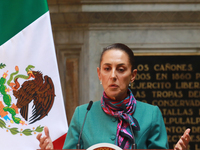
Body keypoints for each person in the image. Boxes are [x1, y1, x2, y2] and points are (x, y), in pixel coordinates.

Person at [37, 43, 189, 149]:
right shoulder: (82, 115)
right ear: (99, 74)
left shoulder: (151, 114)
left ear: (133, 75)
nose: (113, 76)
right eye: (107, 68)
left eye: (121, 69)